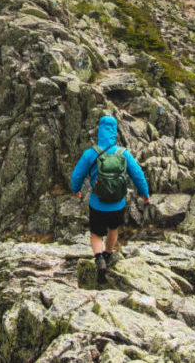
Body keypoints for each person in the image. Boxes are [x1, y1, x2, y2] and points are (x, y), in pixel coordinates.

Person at [69, 114, 149, 273]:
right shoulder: (123, 153)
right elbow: (138, 174)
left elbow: (77, 175)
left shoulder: (91, 153)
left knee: (96, 234)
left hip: (97, 203)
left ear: (99, 131)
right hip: (118, 203)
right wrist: (145, 193)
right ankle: (108, 254)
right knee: (113, 229)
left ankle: (99, 258)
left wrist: (76, 190)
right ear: (115, 132)